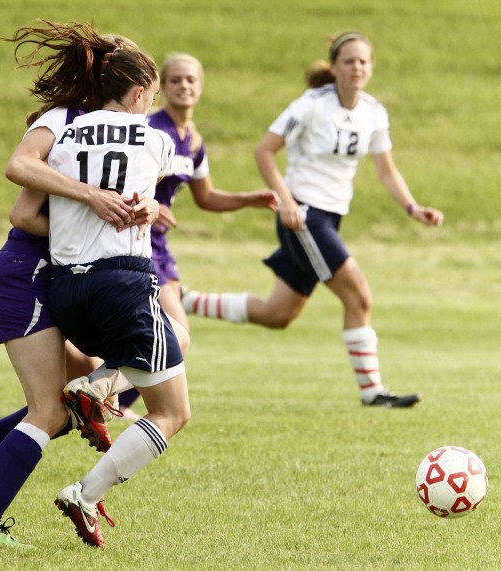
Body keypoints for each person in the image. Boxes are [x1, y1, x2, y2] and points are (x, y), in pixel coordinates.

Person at [0, 21, 160, 548]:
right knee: (51, 409)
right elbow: (23, 201)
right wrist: (91, 203)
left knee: (85, 385)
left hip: (59, 276)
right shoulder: (62, 121)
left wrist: (141, 209)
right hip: (25, 276)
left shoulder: (110, 133)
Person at [182, 32, 444, 408]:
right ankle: (373, 393)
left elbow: (386, 170)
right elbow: (264, 152)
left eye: (363, 62)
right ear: (335, 66)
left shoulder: (373, 112)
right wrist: (286, 201)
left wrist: (412, 207)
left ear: (371, 67)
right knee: (359, 296)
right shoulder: (311, 105)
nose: (357, 68)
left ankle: (186, 300)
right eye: (349, 61)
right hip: (304, 216)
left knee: (278, 314)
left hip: (329, 218)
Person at [4, 26, 191, 549]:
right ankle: (86, 487)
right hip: (122, 285)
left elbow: (28, 201)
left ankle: (100, 385)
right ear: (137, 95)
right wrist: (149, 208)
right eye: (150, 97)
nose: (149, 106)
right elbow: (140, 203)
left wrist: (140, 208)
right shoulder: (155, 138)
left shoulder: (63, 132)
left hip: (67, 295)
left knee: (168, 342)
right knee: (173, 411)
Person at [118, 52, 279, 419]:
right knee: (174, 335)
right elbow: (121, 178)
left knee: (170, 337)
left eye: (191, 80)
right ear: (162, 88)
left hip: (160, 248)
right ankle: (108, 397)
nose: (184, 86)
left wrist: (248, 199)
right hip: (135, 240)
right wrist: (150, 203)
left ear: (201, 86)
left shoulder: (191, 140)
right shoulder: (151, 129)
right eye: (175, 80)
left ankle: (113, 402)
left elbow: (206, 198)